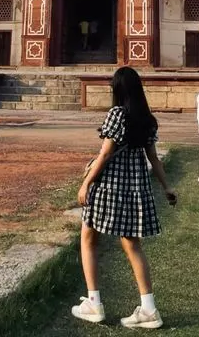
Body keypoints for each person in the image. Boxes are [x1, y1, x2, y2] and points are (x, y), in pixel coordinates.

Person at [74, 66, 176, 328]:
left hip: (110, 186)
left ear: (118, 89)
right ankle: (149, 309)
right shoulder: (147, 119)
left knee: (88, 237)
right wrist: (167, 187)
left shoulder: (117, 114)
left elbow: (105, 153)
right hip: (136, 186)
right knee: (132, 244)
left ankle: (94, 303)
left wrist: (86, 183)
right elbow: (154, 158)